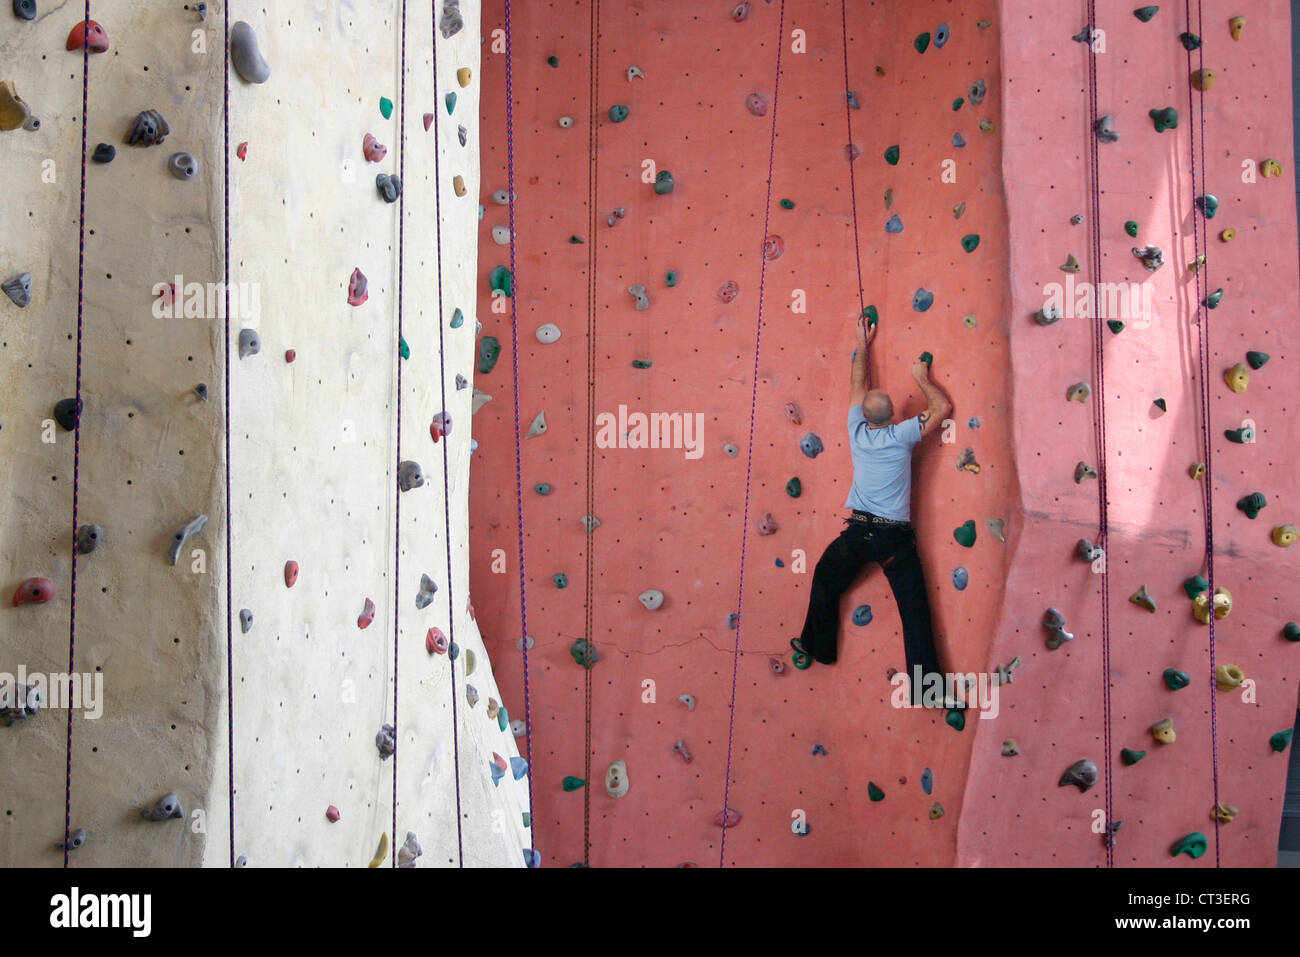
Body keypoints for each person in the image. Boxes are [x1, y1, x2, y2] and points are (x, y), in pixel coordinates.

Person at [791, 315, 951, 707]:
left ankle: (818, 647)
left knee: (827, 579)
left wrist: (862, 343)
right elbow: (942, 406)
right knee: (914, 614)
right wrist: (921, 377)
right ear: (894, 414)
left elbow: (855, 383)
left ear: (864, 416)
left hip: (858, 536)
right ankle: (929, 693)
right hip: (894, 538)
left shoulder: (855, 430)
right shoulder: (903, 435)